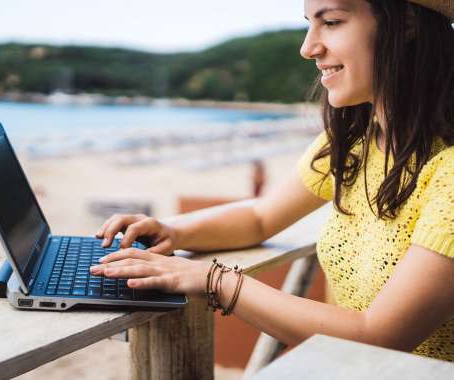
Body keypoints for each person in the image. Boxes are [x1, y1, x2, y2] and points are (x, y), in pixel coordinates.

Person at [91, 0, 454, 362]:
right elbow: (262, 217)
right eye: (310, 24)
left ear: (407, 24)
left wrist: (212, 280)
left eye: (331, 22)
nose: (308, 47)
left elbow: (379, 335)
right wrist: (173, 231)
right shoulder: (354, 142)